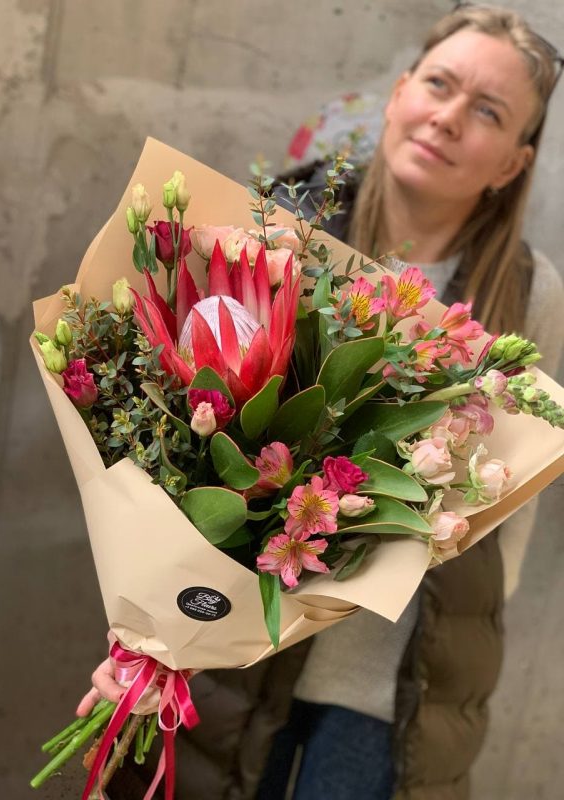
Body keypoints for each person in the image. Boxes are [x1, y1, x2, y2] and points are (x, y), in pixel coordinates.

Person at [82, 5, 564, 799]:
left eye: (487, 112)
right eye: (439, 85)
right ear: (400, 91)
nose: (448, 118)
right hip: (235, 658)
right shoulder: (277, 235)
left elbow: (513, 509)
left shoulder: (526, 293)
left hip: (391, 691)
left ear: (512, 163)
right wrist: (145, 627)